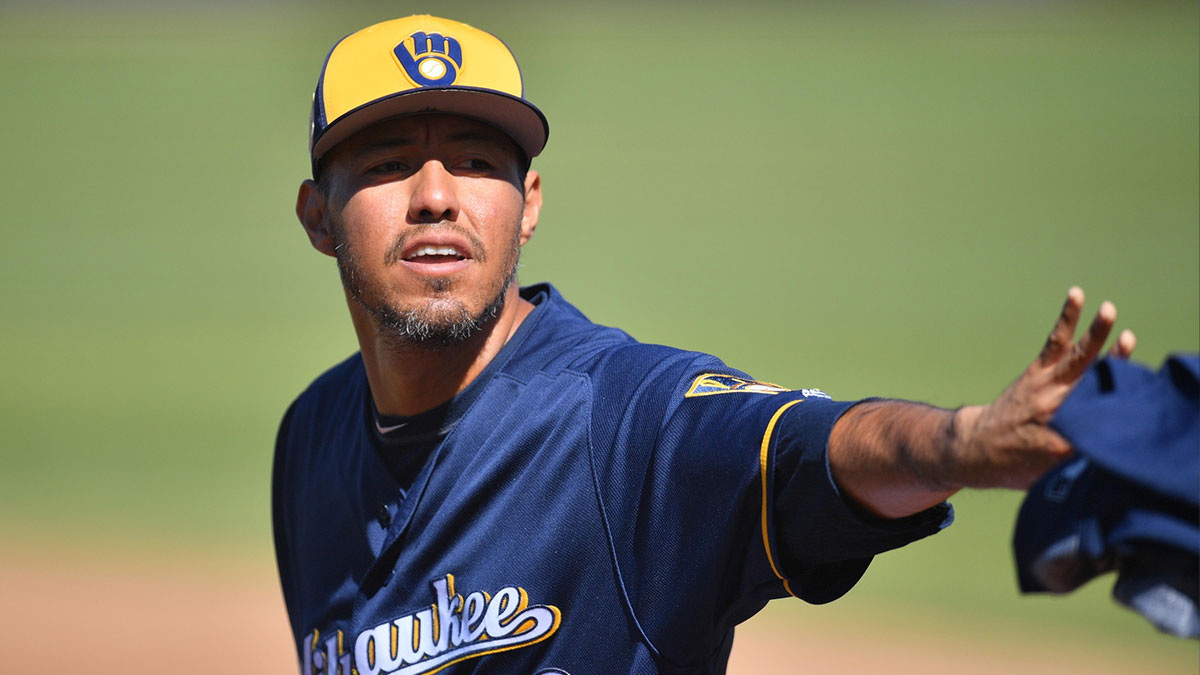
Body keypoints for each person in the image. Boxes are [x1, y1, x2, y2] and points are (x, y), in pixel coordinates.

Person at [272, 15, 1137, 675]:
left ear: (528, 203)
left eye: (474, 161)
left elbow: (804, 443)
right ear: (319, 216)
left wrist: (962, 443)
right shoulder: (309, 443)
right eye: (388, 162)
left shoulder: (619, 419)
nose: (436, 195)